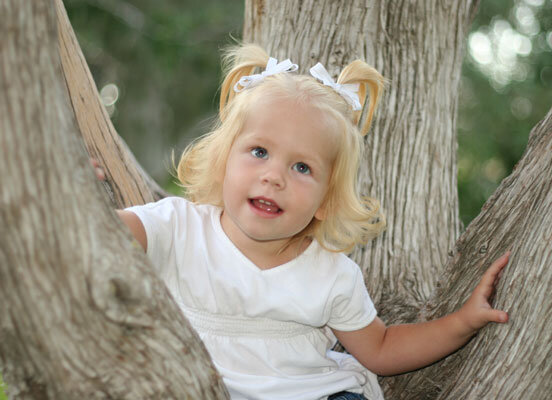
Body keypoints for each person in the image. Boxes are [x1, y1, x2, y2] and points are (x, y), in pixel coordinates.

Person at [108, 44, 510, 400]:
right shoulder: (178, 227)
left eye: (302, 167)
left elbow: (382, 348)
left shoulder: (330, 274)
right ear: (224, 161)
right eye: (259, 151)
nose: (274, 176)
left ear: (325, 201)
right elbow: (102, 233)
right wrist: (74, 187)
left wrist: (462, 321)